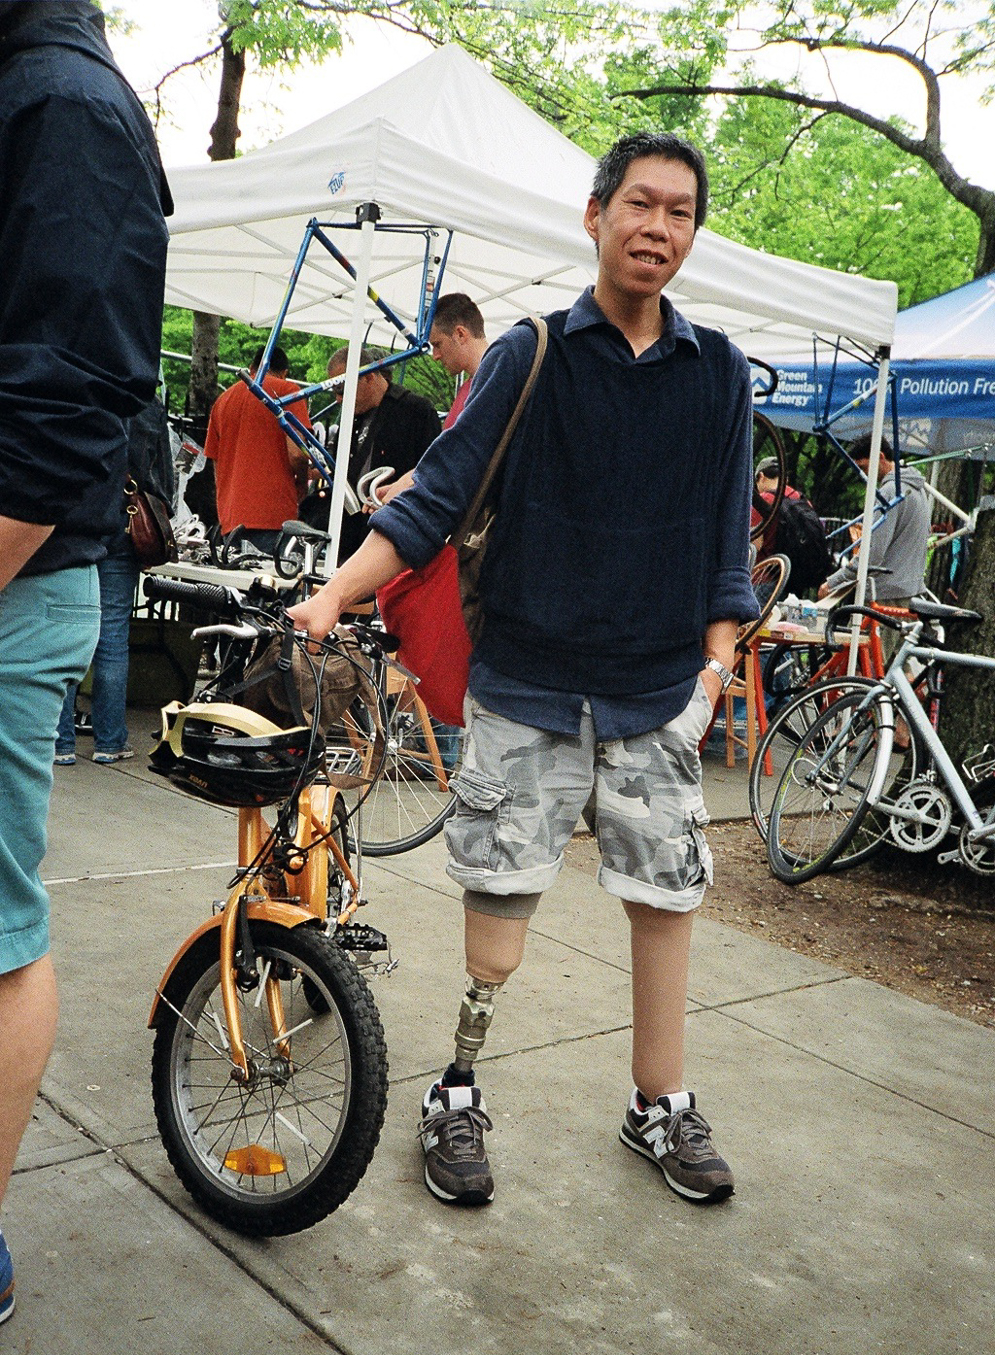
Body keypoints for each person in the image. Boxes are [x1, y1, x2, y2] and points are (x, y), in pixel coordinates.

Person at [289, 130, 758, 1210]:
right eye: (638, 204)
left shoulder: (718, 371)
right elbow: (434, 499)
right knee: (497, 922)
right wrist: (331, 595)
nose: (657, 228)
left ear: (691, 232)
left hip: (655, 695)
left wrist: (713, 670)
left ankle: (658, 1101)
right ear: (594, 216)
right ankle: (454, 1092)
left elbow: (725, 541)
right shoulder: (530, 352)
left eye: (679, 212)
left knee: (665, 902)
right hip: (528, 686)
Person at [0, 0, 171, 1326]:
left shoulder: (64, 100)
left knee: (2, 936)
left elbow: (61, 404)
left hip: (20, 577)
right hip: (41, 571)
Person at [54, 397, 175, 766]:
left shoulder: (80, 391)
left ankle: (60, 743)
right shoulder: (148, 404)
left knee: (67, 634)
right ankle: (109, 741)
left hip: (75, 525)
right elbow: (163, 481)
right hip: (124, 524)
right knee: (112, 638)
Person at [321, 345, 441, 559]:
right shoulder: (349, 416)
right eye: (335, 391)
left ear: (369, 377)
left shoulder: (417, 411)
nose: (338, 399)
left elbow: (432, 473)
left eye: (342, 389)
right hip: (347, 535)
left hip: (393, 532)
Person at [373, 293, 490, 508]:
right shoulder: (472, 386)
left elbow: (463, 461)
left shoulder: (493, 386)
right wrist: (406, 483)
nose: (435, 355)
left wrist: (411, 483)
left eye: (437, 344)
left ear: (460, 334)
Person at [204, 345, 311, 553]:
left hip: (231, 519)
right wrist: (302, 482)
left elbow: (216, 464)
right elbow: (297, 453)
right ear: (284, 373)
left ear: (251, 368)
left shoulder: (223, 400)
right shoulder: (288, 392)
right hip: (274, 516)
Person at [819, 436, 932, 609]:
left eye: (864, 467)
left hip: (885, 593)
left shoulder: (889, 492)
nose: (864, 474)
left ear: (880, 456)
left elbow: (873, 552)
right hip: (909, 591)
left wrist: (834, 582)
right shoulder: (918, 489)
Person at [754, 457, 833, 597]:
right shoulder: (802, 500)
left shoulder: (762, 500)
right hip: (794, 580)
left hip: (764, 578)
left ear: (761, 476)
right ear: (786, 479)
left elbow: (756, 545)